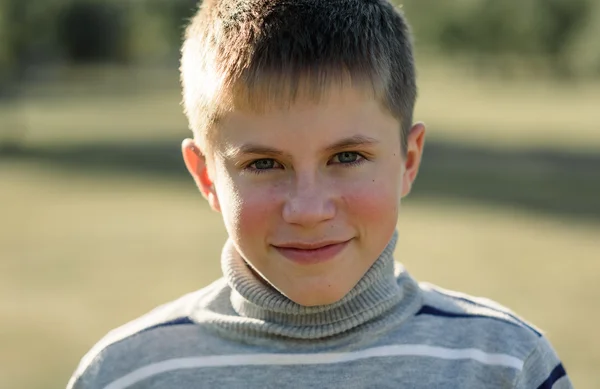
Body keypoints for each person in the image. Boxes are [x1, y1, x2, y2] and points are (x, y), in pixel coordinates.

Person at [67, 0, 573, 388]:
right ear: (206, 178)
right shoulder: (127, 374)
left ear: (408, 161)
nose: (308, 210)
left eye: (347, 157)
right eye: (263, 163)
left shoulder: (505, 364)